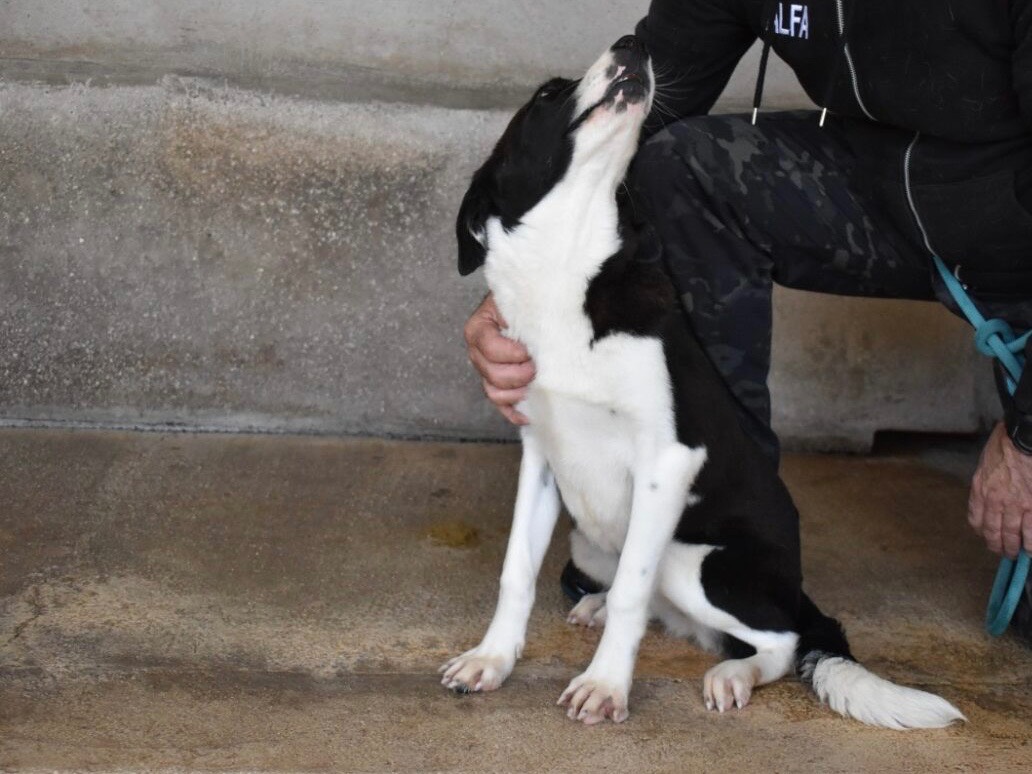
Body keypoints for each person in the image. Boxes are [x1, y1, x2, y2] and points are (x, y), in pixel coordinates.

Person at [463, 0, 1032, 638]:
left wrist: (1026, 440)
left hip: (1016, 243)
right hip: (883, 195)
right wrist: (519, 298)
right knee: (682, 166)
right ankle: (718, 540)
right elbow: (644, 108)